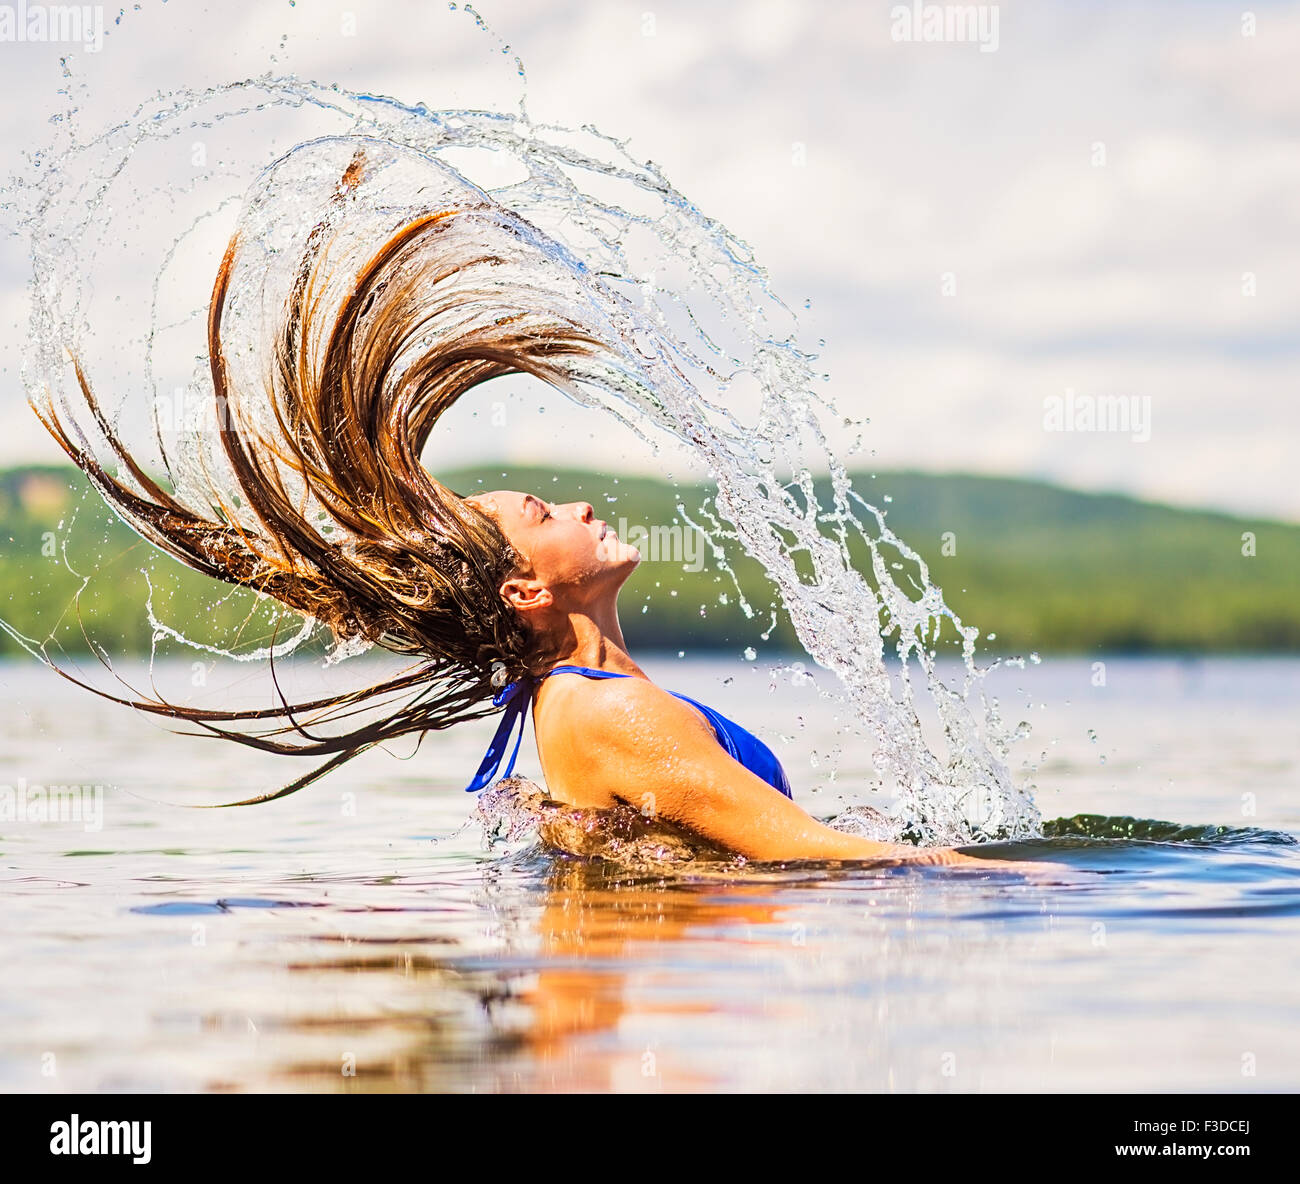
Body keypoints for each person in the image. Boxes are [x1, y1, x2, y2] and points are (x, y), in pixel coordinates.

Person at [30, 142, 1046, 870]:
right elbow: (823, 858)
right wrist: (1028, 884)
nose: (578, 500)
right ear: (526, 586)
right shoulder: (615, 712)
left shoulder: (562, 704)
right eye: (540, 507)